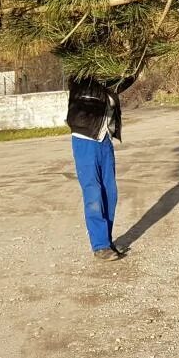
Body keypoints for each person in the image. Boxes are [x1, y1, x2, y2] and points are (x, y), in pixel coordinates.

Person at [67, 72, 136, 259]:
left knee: (110, 193)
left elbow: (125, 81)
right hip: (85, 139)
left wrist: (138, 61)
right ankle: (100, 245)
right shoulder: (80, 79)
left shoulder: (109, 81)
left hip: (104, 139)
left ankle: (106, 240)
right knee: (93, 192)